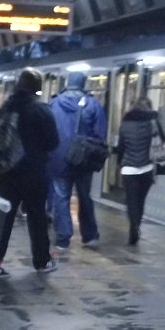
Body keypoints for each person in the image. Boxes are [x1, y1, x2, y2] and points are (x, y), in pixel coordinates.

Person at [0, 68, 59, 277]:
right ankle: (42, 261)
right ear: (38, 87)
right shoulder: (40, 110)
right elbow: (53, 142)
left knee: (4, 219)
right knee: (36, 217)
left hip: (6, 173)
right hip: (33, 173)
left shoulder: (5, 108)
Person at [48, 71, 108, 249]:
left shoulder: (55, 103)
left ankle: (63, 238)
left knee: (61, 197)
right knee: (85, 196)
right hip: (84, 160)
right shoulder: (93, 104)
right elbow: (100, 134)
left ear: (67, 82)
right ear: (84, 84)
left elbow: (48, 130)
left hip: (59, 159)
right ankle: (89, 236)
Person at [114, 96, 165, 246]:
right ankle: (136, 226)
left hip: (128, 169)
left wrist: (119, 165)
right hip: (147, 168)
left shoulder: (125, 123)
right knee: (140, 201)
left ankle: (133, 226)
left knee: (131, 200)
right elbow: (163, 139)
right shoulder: (153, 122)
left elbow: (121, 147)